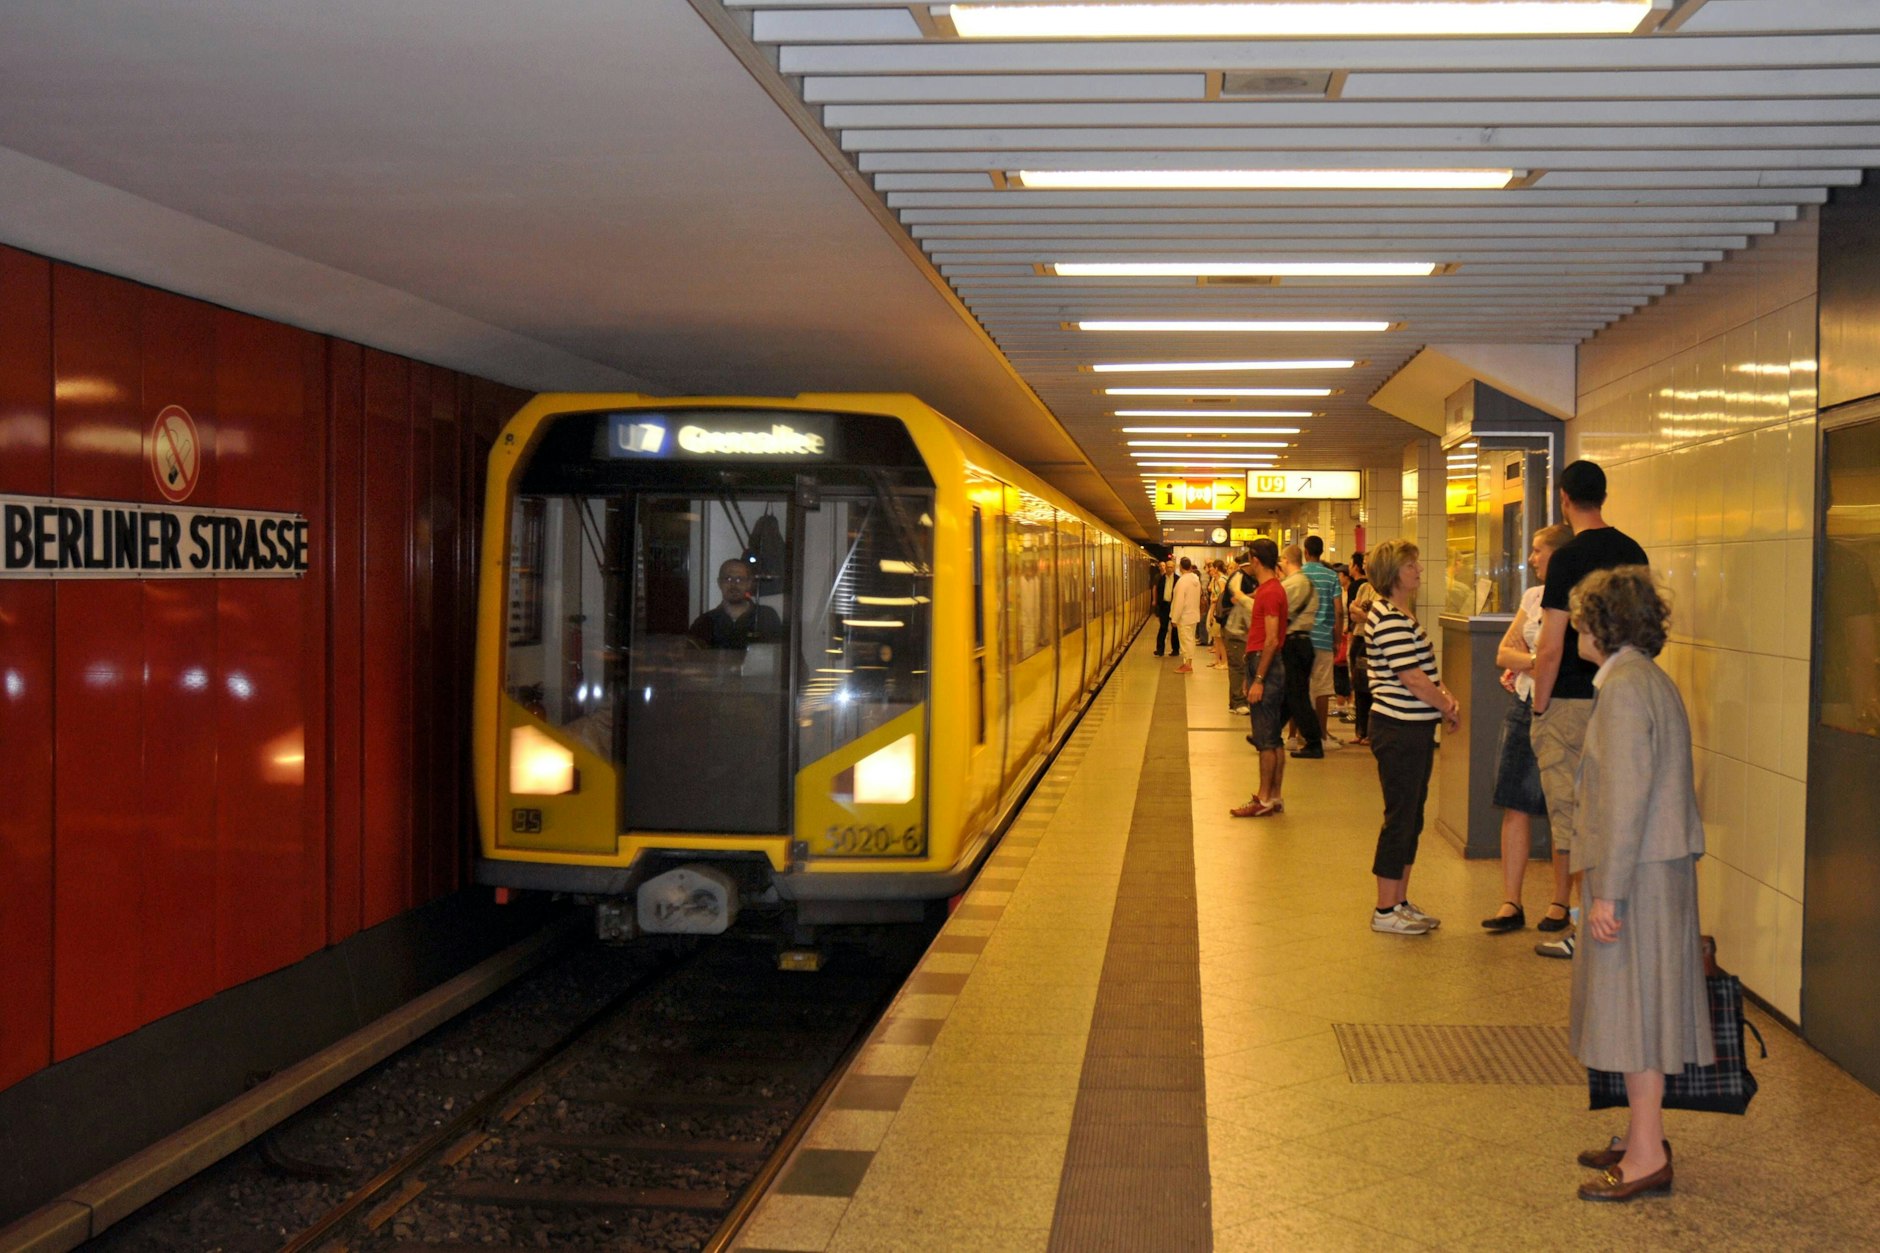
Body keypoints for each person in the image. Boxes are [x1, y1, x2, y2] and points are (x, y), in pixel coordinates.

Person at [1566, 566, 1710, 1203]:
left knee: (1637, 1009)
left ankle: (1647, 1154)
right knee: (1641, 1004)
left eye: (1580, 616)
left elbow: (1625, 799)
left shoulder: (1624, 688)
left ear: (1602, 625)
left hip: (1639, 874)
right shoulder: (1645, 679)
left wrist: (1608, 893)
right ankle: (1637, 1134)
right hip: (1659, 865)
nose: (1574, 626)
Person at [1530, 460, 1649, 960]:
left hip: (1571, 702)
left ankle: (1583, 925)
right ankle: (1611, 917)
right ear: (1603, 495)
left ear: (1563, 498)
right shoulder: (1633, 551)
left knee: (1575, 820)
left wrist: (1539, 704)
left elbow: (1553, 644)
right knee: (1613, 811)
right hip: (1623, 696)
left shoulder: (1567, 559)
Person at [1483, 523, 1575, 932]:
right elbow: (1504, 651)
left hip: (1562, 709)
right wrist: (1538, 662)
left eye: (1538, 551)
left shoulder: (1578, 599)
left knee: (1563, 808)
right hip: (1523, 706)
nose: (1532, 558)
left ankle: (1559, 902)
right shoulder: (1533, 597)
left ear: (1558, 554)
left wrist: (1533, 658)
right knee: (1515, 802)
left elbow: (1558, 657)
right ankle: (1510, 901)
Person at [1364, 539, 1459, 935]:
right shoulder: (1388, 618)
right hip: (1398, 728)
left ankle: (1400, 900)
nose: (1418, 570)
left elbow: (1422, 675)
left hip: (1413, 727)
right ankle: (1385, 909)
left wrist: (1442, 697)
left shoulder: (1400, 614)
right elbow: (1413, 679)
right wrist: (1446, 705)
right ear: (1393, 573)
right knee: (1400, 817)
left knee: (1411, 816)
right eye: (1411, 565)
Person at [1231, 539, 1291, 818]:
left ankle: (1264, 798)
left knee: (1265, 740)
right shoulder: (1272, 589)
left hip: (1266, 665)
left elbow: (1270, 640)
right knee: (1274, 738)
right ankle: (1275, 796)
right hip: (1265, 665)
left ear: (1255, 560)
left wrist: (1258, 678)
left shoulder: (1268, 593)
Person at [1279, 544, 1325, 758]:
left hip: (1294, 643)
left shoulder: (1291, 584)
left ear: (1286, 560)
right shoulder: (1308, 584)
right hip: (1305, 642)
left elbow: (1280, 613)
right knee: (1291, 692)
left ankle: (1314, 741)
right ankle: (1268, 733)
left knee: (1297, 694)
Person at [1302, 535, 1346, 746]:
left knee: (1300, 686)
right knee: (1322, 688)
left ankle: (1299, 734)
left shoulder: (1298, 574)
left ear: (1305, 552)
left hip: (1300, 637)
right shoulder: (1331, 576)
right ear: (1321, 553)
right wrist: (1337, 638)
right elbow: (1338, 610)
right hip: (1323, 638)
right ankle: (1321, 734)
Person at [689, 557, 784, 648]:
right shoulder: (705, 622)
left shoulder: (766, 617)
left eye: (740, 579)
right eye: (728, 579)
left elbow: (777, 656)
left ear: (749, 583)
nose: (734, 585)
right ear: (719, 583)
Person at [1347, 552, 1376, 746]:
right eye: (1364, 563)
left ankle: (1371, 732)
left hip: (1371, 641)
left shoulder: (1383, 590)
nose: (1365, 567)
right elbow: (1353, 612)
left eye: (1368, 563)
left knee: (1369, 687)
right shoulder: (1364, 587)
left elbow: (1373, 617)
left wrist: (1360, 612)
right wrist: (1361, 612)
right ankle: (1360, 730)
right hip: (1358, 638)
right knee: (1358, 686)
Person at [1221, 552, 1255, 714]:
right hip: (1234, 628)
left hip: (1245, 628)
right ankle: (1237, 702)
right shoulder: (1238, 577)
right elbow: (1235, 599)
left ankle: (1239, 700)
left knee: (1244, 664)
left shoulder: (1251, 579)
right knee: (1237, 665)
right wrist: (1253, 597)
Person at [1171, 556, 1201, 673]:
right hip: (1193, 615)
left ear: (1180, 567)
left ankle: (1187, 665)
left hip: (1184, 616)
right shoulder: (1195, 579)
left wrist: (1175, 618)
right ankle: (1188, 663)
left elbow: (1179, 601)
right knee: (1190, 639)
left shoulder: (1182, 581)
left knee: (1185, 640)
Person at [1152, 558, 1176, 655]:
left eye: (1171, 567)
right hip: (1164, 605)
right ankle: (1160, 649)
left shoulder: (1178, 579)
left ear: (1174, 568)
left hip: (1174, 606)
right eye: (1168, 567)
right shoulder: (1160, 579)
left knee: (1175, 628)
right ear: (1165, 568)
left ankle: (1175, 649)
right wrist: (1156, 601)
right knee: (1163, 627)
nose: (1169, 569)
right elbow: (1156, 589)